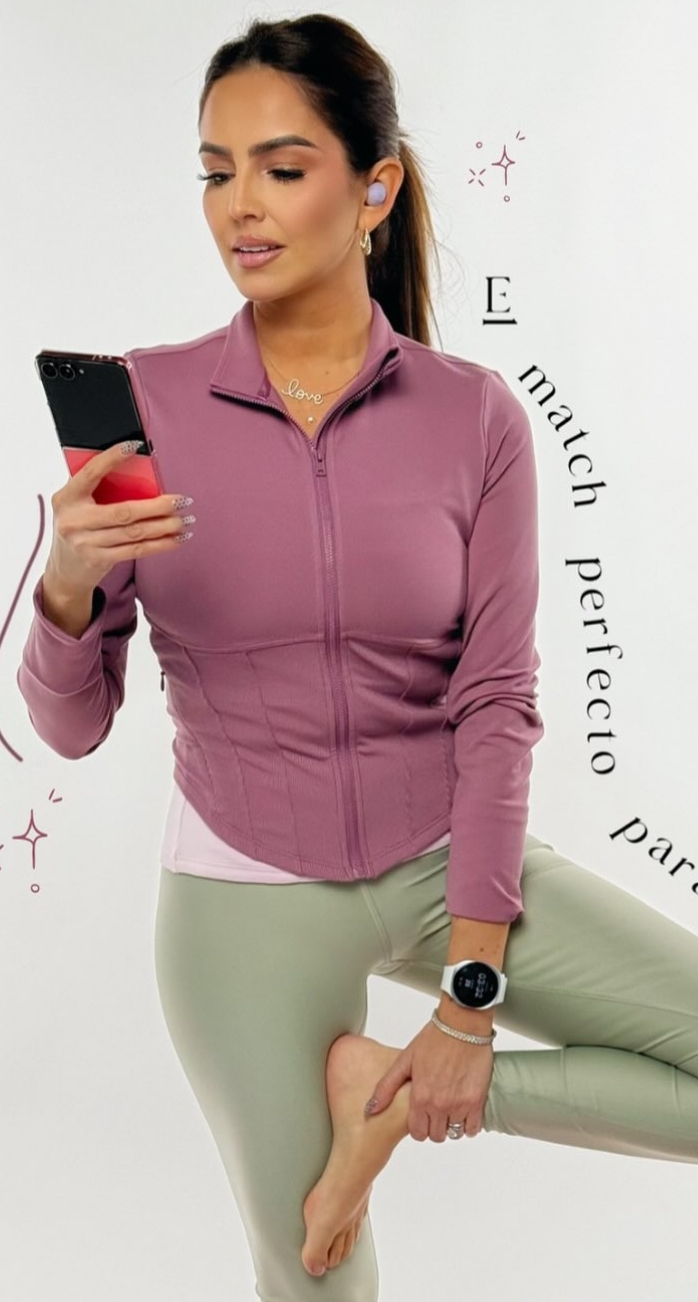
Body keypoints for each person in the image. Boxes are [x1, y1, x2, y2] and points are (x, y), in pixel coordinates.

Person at [17, 13, 698, 1302]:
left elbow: (497, 703)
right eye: (216, 172)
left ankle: (383, 1102)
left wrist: (467, 1014)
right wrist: (65, 587)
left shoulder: (472, 417)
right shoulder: (142, 407)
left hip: (445, 863)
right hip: (243, 899)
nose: (240, 206)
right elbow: (70, 728)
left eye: (283, 168)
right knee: (318, 1281)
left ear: (375, 188)